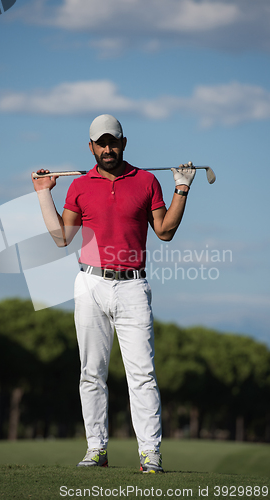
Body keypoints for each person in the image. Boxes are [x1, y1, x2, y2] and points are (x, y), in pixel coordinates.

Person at [32, 114, 195, 473]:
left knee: (142, 374)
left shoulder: (147, 181)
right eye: (101, 143)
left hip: (133, 285)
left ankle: (150, 453)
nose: (108, 149)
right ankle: (96, 450)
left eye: (114, 141)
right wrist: (44, 194)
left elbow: (165, 231)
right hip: (90, 284)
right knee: (91, 372)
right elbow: (62, 237)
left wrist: (181, 189)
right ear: (90, 146)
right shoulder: (80, 186)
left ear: (124, 142)